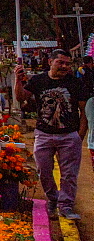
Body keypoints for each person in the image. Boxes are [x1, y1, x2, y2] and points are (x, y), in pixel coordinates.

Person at [15, 49, 89, 220]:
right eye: (60, 62)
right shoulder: (38, 80)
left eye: (67, 63)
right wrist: (17, 81)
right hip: (44, 134)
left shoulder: (75, 83)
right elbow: (21, 98)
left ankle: (66, 205)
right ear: (50, 62)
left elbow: (83, 111)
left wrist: (80, 135)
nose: (64, 66)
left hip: (69, 135)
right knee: (44, 170)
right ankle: (53, 199)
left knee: (69, 173)